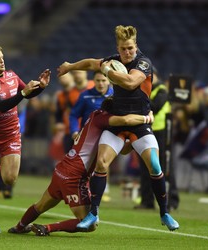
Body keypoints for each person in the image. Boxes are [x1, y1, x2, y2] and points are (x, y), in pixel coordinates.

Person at [57, 25, 179, 231]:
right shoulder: (113, 61)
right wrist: (70, 66)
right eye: (123, 48)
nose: (127, 52)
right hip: (116, 123)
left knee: (156, 167)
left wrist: (107, 70)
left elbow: (131, 83)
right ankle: (93, 214)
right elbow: (90, 63)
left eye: (130, 48)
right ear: (118, 47)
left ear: (136, 45)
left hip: (139, 124)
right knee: (102, 164)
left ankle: (165, 212)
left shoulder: (144, 63)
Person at [8, 97, 154, 236]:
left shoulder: (96, 116)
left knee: (40, 205)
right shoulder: (105, 121)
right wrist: (147, 118)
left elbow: (123, 149)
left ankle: (19, 227)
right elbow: (126, 120)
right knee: (90, 223)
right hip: (75, 177)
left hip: (62, 169)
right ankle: (46, 228)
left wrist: (137, 142)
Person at [0, 45, 50, 233]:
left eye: (2, 57)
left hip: (10, 136)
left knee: (9, 180)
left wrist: (40, 87)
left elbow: (28, 93)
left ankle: (1, 166)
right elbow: (0, 106)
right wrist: (23, 94)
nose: (1, 60)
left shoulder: (12, 76)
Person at [135, 68, 180, 211]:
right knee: (145, 167)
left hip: (162, 133)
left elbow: (154, 107)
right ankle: (146, 201)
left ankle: (172, 200)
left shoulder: (162, 91)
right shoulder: (144, 90)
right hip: (145, 131)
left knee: (164, 166)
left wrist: (137, 103)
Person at [69, 71, 113, 140]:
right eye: (98, 80)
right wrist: (74, 131)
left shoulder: (115, 95)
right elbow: (74, 115)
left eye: (103, 80)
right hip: (88, 136)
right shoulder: (85, 96)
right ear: (93, 81)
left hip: (110, 134)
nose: (100, 83)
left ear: (109, 81)